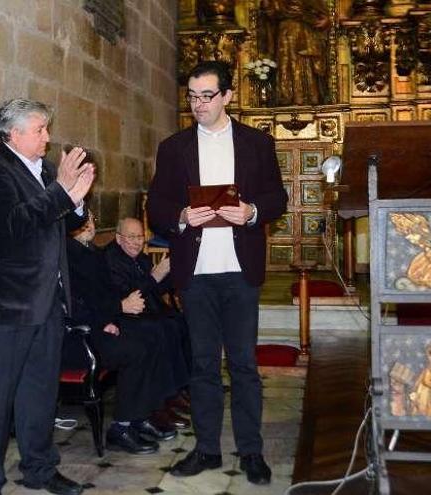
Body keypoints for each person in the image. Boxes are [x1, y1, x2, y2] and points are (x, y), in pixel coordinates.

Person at [147, 61, 288, 485]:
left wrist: (252, 212)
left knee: (243, 364)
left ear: (227, 96)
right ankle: (207, 449)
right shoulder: (174, 148)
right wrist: (182, 215)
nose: (198, 104)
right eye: (192, 95)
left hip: (240, 270)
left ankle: (251, 451)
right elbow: (157, 207)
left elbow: (277, 197)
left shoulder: (256, 143)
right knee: (204, 365)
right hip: (196, 272)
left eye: (207, 95)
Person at [0, 98, 94, 495]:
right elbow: (13, 225)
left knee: (40, 394)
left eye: (46, 128)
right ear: (14, 133)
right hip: (6, 305)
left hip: (48, 302)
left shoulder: (48, 170)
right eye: (40, 130)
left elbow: (66, 221)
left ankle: (40, 469)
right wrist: (61, 192)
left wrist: (76, 198)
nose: (47, 137)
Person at [62, 212, 176, 455]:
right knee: (135, 349)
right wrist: (114, 312)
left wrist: (110, 316)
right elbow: (72, 303)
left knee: (150, 337)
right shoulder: (66, 253)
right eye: (84, 221)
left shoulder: (89, 252)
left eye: (92, 220)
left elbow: (102, 296)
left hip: (98, 324)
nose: (90, 226)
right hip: (76, 337)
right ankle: (120, 428)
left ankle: (138, 417)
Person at [104, 217, 192, 422]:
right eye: (131, 237)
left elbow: (155, 290)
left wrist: (169, 272)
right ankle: (160, 401)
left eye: (140, 236)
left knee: (179, 323)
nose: (137, 242)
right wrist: (154, 276)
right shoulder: (111, 260)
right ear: (118, 238)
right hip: (125, 317)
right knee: (162, 330)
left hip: (147, 313)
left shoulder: (141, 258)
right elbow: (130, 295)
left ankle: (178, 389)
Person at [258, 0, 331, 105]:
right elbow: (269, 12)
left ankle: (307, 97)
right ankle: (286, 97)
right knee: (285, 64)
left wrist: (325, 19)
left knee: (304, 63)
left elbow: (320, 11)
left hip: (305, 31)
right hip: (285, 33)